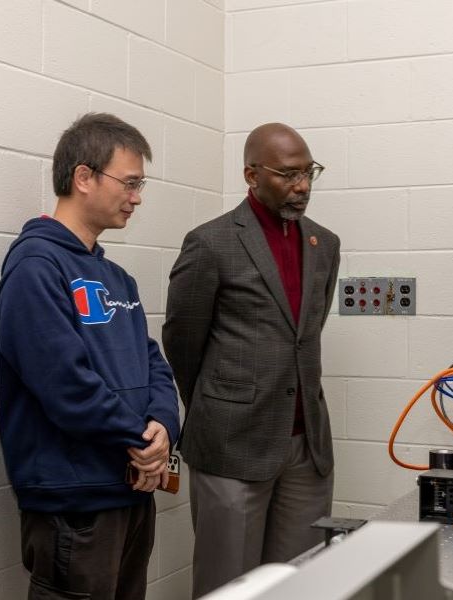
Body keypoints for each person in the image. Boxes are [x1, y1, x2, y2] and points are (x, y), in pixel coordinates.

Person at [0, 113, 180, 600]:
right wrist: (138, 438)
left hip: (131, 488)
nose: (137, 197)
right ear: (83, 177)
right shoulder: (36, 266)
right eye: (130, 182)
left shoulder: (117, 278)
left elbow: (152, 363)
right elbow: (65, 385)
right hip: (74, 501)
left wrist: (163, 425)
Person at [163, 122, 341, 598]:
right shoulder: (211, 242)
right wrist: (219, 402)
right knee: (230, 586)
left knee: (299, 581)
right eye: (288, 174)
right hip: (231, 444)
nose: (302, 186)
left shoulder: (325, 244)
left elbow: (306, 333)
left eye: (309, 172)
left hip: (306, 446)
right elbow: (182, 341)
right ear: (251, 175)